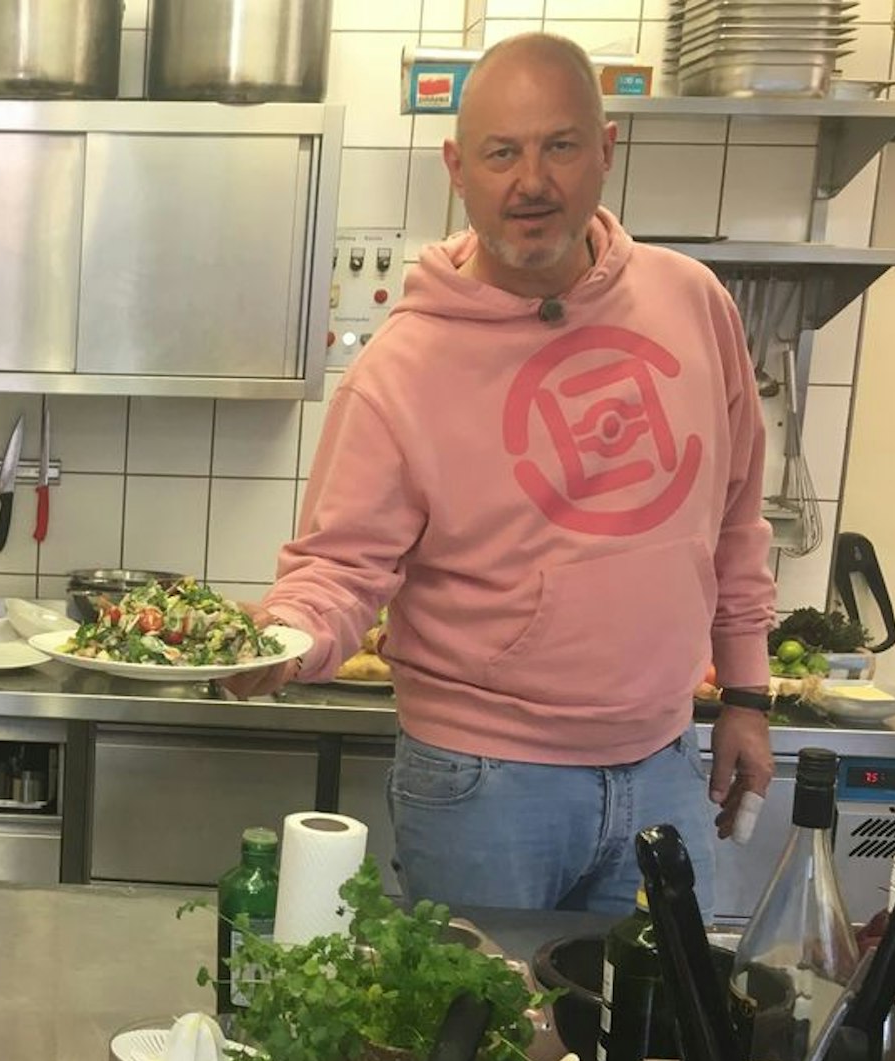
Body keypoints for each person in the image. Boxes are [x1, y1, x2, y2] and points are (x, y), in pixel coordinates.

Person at [238, 33, 776, 916]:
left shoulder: (695, 304)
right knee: (482, 1048)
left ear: (606, 150)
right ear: (459, 168)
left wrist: (747, 694)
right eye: (502, 152)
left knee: (657, 1045)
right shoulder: (401, 369)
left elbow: (736, 518)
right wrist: (282, 638)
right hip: (483, 784)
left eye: (560, 145)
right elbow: (338, 567)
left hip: (667, 764)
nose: (532, 180)